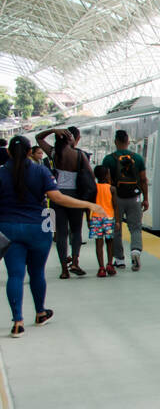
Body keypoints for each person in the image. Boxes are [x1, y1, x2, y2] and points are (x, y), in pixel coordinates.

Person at [0, 136, 105, 337]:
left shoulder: (2, 173)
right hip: (38, 228)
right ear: (31, 152)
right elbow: (57, 198)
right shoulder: (40, 171)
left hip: (9, 229)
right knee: (37, 273)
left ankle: (17, 323)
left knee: (15, 275)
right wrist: (89, 205)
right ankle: (40, 313)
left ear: (9, 153)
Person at [36, 125, 94, 278]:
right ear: (72, 139)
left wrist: (53, 130)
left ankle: (64, 269)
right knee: (76, 230)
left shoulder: (54, 153)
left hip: (57, 197)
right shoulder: (80, 155)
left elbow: (38, 138)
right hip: (75, 197)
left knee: (61, 233)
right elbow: (90, 176)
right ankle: (74, 261)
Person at [103, 130, 149, 272]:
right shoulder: (138, 158)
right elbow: (143, 180)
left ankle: (119, 259)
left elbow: (106, 181)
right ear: (128, 141)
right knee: (135, 228)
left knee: (116, 228)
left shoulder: (109, 159)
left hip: (116, 197)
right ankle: (135, 252)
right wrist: (145, 199)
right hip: (134, 197)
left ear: (116, 141)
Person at [89, 166, 118, 278]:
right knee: (110, 243)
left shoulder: (94, 188)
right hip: (109, 218)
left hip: (96, 218)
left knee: (98, 244)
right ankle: (110, 264)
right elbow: (115, 206)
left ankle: (101, 268)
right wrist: (118, 221)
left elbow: (89, 205)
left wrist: (88, 219)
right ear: (107, 175)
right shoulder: (112, 189)